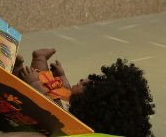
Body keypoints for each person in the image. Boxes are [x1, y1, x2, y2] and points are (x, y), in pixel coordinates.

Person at [14, 48, 155, 137]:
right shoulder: (71, 98)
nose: (82, 79)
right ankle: (35, 60)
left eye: (85, 84)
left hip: (38, 91)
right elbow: (66, 86)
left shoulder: (66, 117)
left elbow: (44, 104)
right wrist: (61, 75)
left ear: (90, 102)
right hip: (51, 86)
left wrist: (33, 83)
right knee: (43, 74)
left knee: (35, 75)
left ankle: (27, 65)